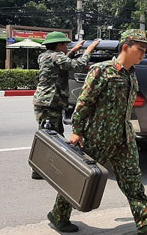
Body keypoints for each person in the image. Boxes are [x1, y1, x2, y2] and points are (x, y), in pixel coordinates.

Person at [47, 29, 147, 235]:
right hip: (98, 137)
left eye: (144, 51)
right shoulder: (101, 71)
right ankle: (58, 215)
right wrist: (77, 130)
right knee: (80, 178)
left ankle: (146, 222)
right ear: (125, 47)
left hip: (123, 137)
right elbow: (85, 101)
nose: (143, 54)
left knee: (133, 180)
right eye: (140, 49)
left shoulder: (131, 74)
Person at [32, 32, 100, 179]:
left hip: (44, 101)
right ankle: (39, 170)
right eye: (65, 45)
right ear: (58, 45)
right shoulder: (56, 56)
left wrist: (73, 51)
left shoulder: (44, 56)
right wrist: (88, 51)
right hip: (50, 102)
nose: (66, 47)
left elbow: (61, 62)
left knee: (49, 136)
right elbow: (78, 66)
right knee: (52, 138)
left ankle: (40, 170)